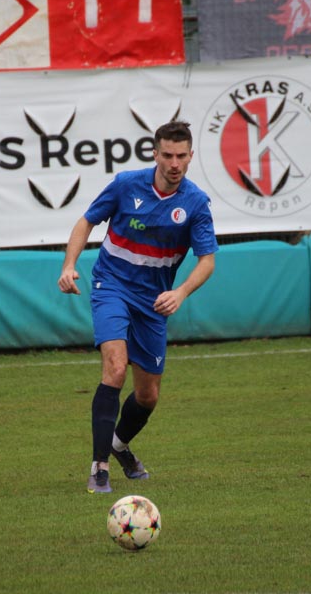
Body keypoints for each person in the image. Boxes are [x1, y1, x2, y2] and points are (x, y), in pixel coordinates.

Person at [57, 120, 218, 494]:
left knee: (148, 396)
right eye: (167, 155)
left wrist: (180, 292)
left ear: (191, 156)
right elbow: (86, 222)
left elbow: (207, 261)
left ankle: (118, 445)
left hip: (153, 302)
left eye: (181, 156)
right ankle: (99, 467)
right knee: (115, 368)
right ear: (155, 153)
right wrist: (69, 266)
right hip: (111, 285)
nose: (174, 163)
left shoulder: (195, 203)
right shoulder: (126, 184)